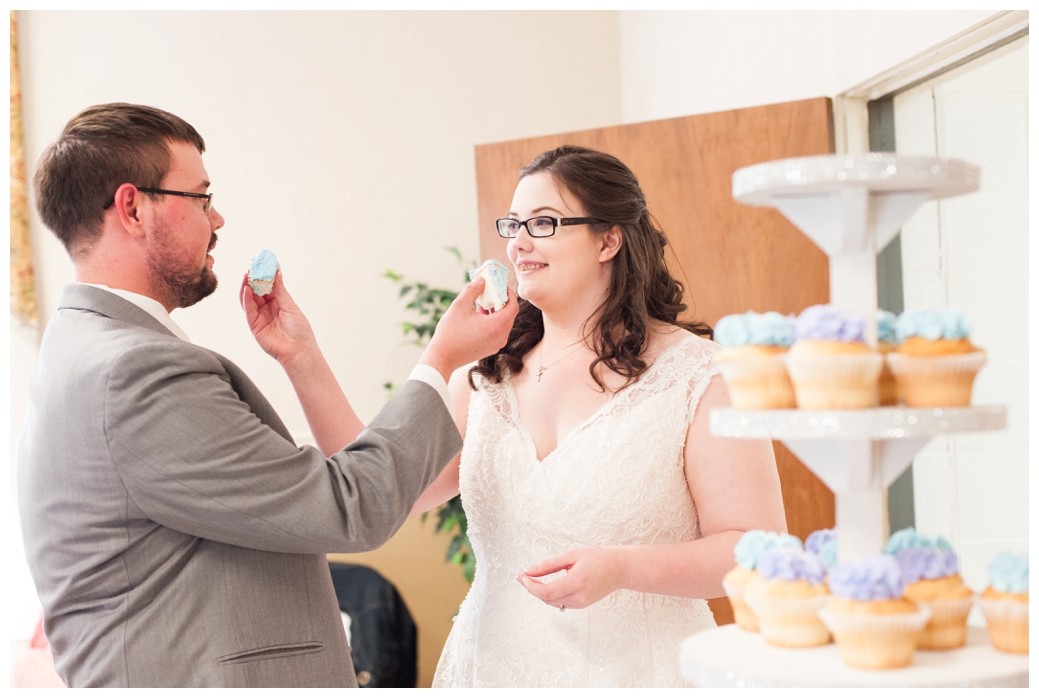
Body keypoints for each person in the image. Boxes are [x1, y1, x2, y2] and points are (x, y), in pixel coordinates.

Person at [16, 102, 517, 688]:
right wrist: (442, 357)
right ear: (132, 208)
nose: (219, 218)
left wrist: (300, 357)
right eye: (201, 197)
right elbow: (353, 506)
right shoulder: (137, 372)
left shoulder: (82, 348)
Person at [415, 145, 788, 687]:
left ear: (608, 239)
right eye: (513, 224)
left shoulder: (703, 375)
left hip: (640, 675)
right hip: (488, 670)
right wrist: (302, 357)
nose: (517, 243)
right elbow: (382, 494)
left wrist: (623, 568)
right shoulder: (482, 379)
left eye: (542, 223)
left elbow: (757, 551)